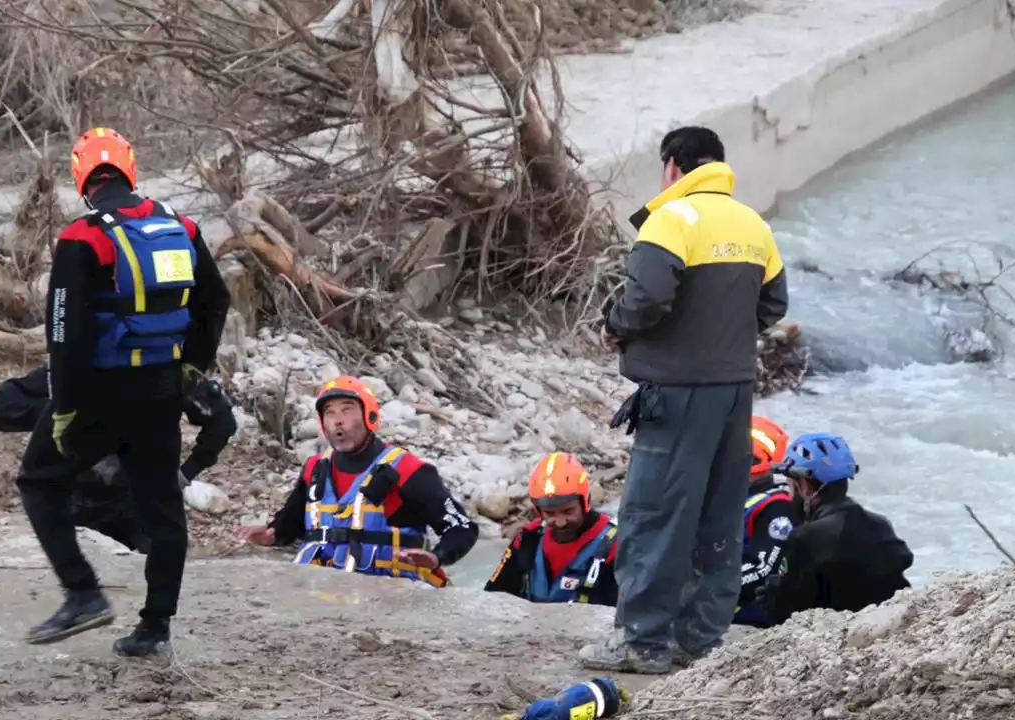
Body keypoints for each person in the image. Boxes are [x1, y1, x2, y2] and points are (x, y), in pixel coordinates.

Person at [582, 126, 789, 674]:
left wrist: (615, 326)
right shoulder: (753, 224)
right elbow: (773, 305)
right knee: (718, 512)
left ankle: (642, 642)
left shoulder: (673, 218)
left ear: (673, 166)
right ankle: (700, 641)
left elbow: (645, 299)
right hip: (734, 393)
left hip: (676, 394)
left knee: (654, 515)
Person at [16, 127, 230, 658]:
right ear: (130, 170)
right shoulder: (181, 227)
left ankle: (84, 594)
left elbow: (64, 336)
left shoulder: (82, 238)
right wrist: (191, 371)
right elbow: (216, 302)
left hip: (100, 392)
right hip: (161, 390)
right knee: (162, 511)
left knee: (39, 481)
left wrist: (65, 409)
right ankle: (155, 628)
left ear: (82, 177)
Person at [234, 376, 478, 585]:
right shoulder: (314, 469)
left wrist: (437, 557)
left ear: (369, 415)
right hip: (325, 590)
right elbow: (292, 522)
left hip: (390, 595)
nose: (337, 420)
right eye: (330, 413)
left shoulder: (408, 470)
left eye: (347, 409)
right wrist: (271, 535)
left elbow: (462, 527)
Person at [0, 364, 237, 553]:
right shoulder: (75, 370)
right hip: (76, 495)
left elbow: (223, 422)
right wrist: (67, 414)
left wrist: (184, 475)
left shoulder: (164, 371)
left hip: (140, 500)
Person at [760, 432, 914, 624]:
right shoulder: (881, 525)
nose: (789, 495)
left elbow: (783, 614)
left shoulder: (805, 538)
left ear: (805, 487)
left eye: (791, 485)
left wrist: (774, 592)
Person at [485, 452, 620, 606]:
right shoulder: (528, 539)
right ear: (538, 511)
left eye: (568, 511)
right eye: (549, 513)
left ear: (586, 502)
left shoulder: (616, 546)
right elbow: (494, 596)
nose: (560, 522)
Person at [732, 415, 799, 630]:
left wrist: (707, 589)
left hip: (746, 608)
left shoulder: (776, 508)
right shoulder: (729, 499)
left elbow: (762, 570)